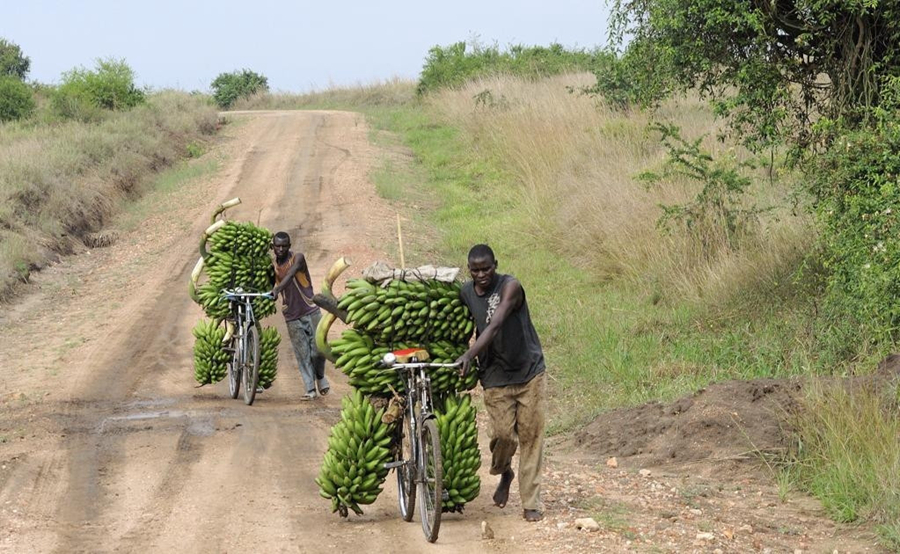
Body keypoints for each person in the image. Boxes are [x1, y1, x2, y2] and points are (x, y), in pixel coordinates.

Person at [456, 244, 546, 522]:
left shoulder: (511, 287)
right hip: (495, 375)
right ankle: (504, 471)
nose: (482, 274)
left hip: (528, 371)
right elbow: (459, 325)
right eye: (475, 270)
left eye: (487, 268)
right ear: (468, 269)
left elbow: (494, 326)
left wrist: (470, 353)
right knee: (502, 436)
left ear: (496, 264)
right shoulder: (466, 293)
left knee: (531, 438)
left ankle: (531, 503)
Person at [270, 231, 329, 400]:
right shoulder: (272, 266)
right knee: (302, 353)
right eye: (277, 246)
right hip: (292, 314)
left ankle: (320, 376)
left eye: (284, 245)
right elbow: (269, 282)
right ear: (272, 247)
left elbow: (289, 275)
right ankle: (310, 388)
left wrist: (278, 289)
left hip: (310, 309)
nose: (280, 249)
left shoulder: (298, 258)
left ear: (289, 246)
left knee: (318, 350)